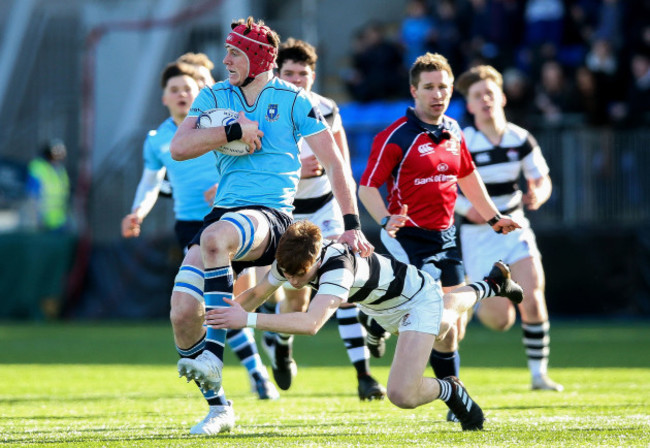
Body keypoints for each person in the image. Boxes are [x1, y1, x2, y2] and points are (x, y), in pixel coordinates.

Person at [170, 17, 373, 435]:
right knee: (183, 312)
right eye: (225, 51)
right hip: (223, 212)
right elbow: (179, 147)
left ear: (260, 57)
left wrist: (352, 224)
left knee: (215, 238)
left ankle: (212, 352)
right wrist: (233, 129)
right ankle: (219, 406)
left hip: (270, 215)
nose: (225, 60)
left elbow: (336, 164)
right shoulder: (213, 94)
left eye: (235, 53)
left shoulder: (295, 100)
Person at [205, 220, 526, 432]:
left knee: (402, 394)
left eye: (298, 276)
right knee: (444, 322)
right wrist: (216, 318)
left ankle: (451, 388)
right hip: (386, 306)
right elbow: (260, 292)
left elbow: (312, 323)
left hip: (416, 302)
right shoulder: (293, 258)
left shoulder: (337, 270)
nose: (291, 281)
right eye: (286, 274)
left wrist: (246, 319)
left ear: (315, 261)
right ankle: (491, 285)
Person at [358, 52, 521, 422]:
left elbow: (467, 177)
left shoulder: (454, 130)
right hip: (407, 237)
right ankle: (453, 394)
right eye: (429, 87)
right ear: (413, 91)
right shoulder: (396, 136)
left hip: (445, 238)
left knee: (451, 326)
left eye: (443, 87)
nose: (437, 94)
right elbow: (367, 187)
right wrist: (385, 219)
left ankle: (378, 322)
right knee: (434, 314)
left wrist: (493, 216)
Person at [120, 61, 279, 405]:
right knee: (213, 306)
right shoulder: (157, 140)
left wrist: (223, 184)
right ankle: (255, 375)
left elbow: (245, 161)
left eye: (187, 89)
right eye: (174, 89)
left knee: (233, 299)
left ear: (198, 95)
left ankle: (264, 356)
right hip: (191, 226)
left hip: (229, 221)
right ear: (163, 97)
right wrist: (138, 212)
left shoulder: (219, 123)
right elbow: (150, 183)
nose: (181, 94)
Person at [257, 37, 384, 400]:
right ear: (276, 74)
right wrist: (298, 170)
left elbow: (340, 165)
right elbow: (261, 170)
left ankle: (364, 377)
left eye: (303, 74)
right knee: (296, 297)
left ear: (313, 76)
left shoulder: (326, 108)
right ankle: (281, 342)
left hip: (325, 209)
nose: (296, 80)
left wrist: (351, 221)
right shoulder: (265, 109)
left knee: (342, 289)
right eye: (289, 73)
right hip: (286, 215)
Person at [454, 64, 563, 392]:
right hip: (479, 235)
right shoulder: (463, 141)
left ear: (501, 97)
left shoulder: (520, 138)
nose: (485, 99)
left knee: (533, 296)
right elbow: (443, 189)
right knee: (499, 320)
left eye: (489, 93)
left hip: (515, 226)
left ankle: (538, 375)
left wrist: (539, 194)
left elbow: (541, 178)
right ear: (469, 106)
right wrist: (466, 208)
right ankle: (476, 307)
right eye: (477, 96)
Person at [26, 139, 70, 231]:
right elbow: (32, 197)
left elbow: (64, 194)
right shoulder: (38, 168)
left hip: (59, 221)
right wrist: (35, 220)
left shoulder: (60, 170)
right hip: (43, 222)